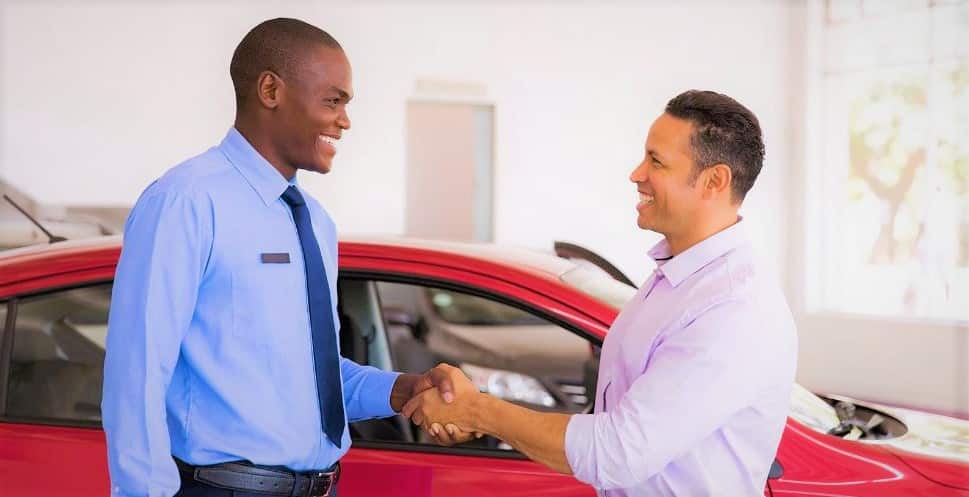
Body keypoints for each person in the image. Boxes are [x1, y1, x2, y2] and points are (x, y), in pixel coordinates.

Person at [102, 18, 465, 497]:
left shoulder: (315, 221)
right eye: (332, 100)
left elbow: (313, 374)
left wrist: (401, 390)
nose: (345, 120)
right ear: (271, 89)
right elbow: (136, 378)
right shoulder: (185, 201)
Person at [404, 90, 798, 497]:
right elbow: (615, 419)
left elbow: (619, 453)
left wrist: (477, 410)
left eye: (656, 161)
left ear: (714, 181)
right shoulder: (678, 280)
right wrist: (479, 418)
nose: (636, 174)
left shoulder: (732, 307)